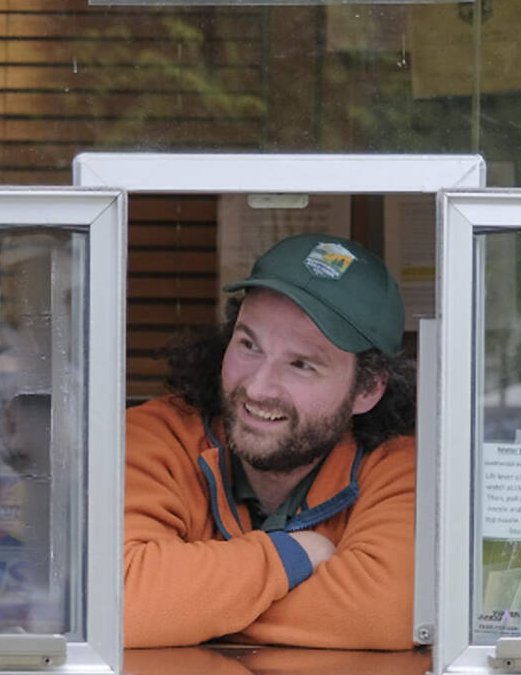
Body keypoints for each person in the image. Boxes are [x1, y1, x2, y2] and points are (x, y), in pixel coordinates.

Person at [124, 233, 417, 650]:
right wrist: (295, 554)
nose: (259, 388)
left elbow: (385, 614)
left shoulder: (398, 466)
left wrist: (187, 612)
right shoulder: (155, 435)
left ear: (367, 390)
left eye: (301, 364)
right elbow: (119, 599)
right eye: (249, 345)